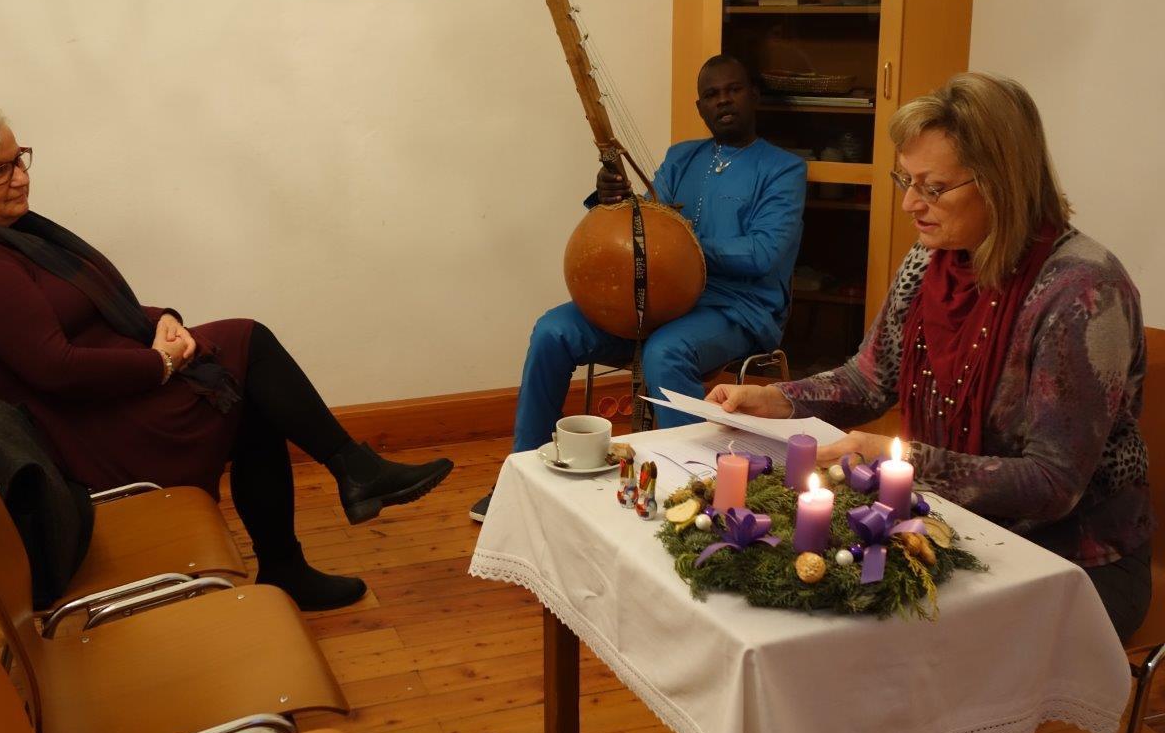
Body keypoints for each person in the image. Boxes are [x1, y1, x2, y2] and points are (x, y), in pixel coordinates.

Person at [0, 99, 454, 612]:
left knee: (248, 384)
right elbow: (58, 368)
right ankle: (346, 482)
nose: (20, 177)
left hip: (98, 410)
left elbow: (86, 305)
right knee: (248, 345)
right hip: (89, 441)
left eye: (19, 159)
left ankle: (305, 542)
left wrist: (162, 319)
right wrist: (161, 363)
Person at [706, 72, 1152, 640]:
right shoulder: (930, 262)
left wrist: (909, 464)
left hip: (1072, 563)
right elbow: (869, 381)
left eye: (934, 187)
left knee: (865, 643)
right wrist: (776, 399)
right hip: (948, 526)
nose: (910, 203)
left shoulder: (1082, 293)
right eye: (906, 179)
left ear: (1002, 183)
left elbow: (1053, 484)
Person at [470, 55, 806, 522]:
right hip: (657, 302)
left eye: (733, 90)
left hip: (736, 308)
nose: (723, 101)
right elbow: (642, 228)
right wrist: (611, 200)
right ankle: (521, 477)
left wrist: (680, 246)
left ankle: (694, 491)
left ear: (754, 95)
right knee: (553, 330)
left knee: (665, 351)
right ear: (700, 107)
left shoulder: (784, 169)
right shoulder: (681, 158)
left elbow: (763, 253)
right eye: (711, 95)